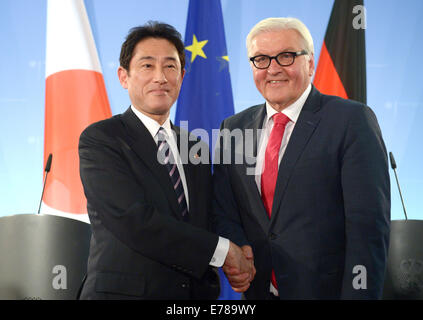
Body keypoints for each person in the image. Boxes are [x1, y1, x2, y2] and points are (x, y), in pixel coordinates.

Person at [212, 17, 390, 299]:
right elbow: (224, 208)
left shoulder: (351, 120)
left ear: (310, 63)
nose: (273, 69)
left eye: (286, 56)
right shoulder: (233, 128)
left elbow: (367, 228)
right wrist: (239, 245)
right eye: (261, 59)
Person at [78, 21, 255, 300]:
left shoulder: (194, 145)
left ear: (182, 76)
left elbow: (208, 216)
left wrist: (241, 245)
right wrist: (223, 251)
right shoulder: (103, 139)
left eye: (170, 66)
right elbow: (135, 220)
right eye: (147, 65)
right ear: (123, 77)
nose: (160, 77)